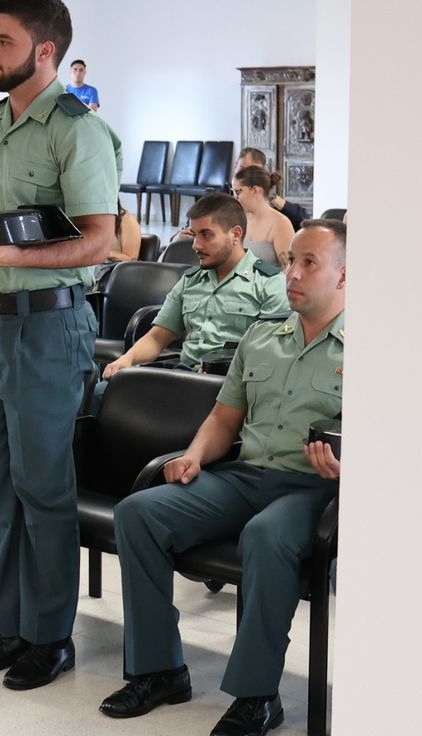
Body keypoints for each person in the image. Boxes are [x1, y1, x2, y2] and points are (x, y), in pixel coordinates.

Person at [0, 0, 120, 691]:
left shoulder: (78, 131)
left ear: (45, 51)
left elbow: (99, 241)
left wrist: (18, 259)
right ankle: (13, 627)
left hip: (45, 326)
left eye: (3, 41)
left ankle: (50, 636)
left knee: (42, 490)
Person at [99, 220, 344, 736]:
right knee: (139, 513)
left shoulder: (374, 352)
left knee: (266, 535)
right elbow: (223, 418)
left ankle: (257, 697)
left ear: (345, 276)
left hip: (315, 490)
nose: (292, 274)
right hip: (246, 475)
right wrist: (193, 457)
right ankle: (160, 670)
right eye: (291, 260)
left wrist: (350, 467)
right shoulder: (263, 336)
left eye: (310, 264)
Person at [102, 193, 289, 379]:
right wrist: (126, 360)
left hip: (232, 382)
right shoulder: (190, 280)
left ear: (235, 234)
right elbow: (157, 338)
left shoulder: (269, 283)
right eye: (194, 235)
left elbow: (271, 355)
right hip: (185, 377)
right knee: (105, 390)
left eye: (206, 235)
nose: (196, 245)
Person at [232, 165, 295, 268]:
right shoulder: (239, 219)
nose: (235, 197)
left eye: (238, 192)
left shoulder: (281, 223)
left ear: (256, 190)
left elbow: (289, 269)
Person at [236, 147, 305, 231]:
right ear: (235, 166)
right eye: (243, 169)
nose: (246, 175)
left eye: (253, 172)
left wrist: (271, 196)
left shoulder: (268, 205)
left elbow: (303, 220)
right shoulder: (224, 197)